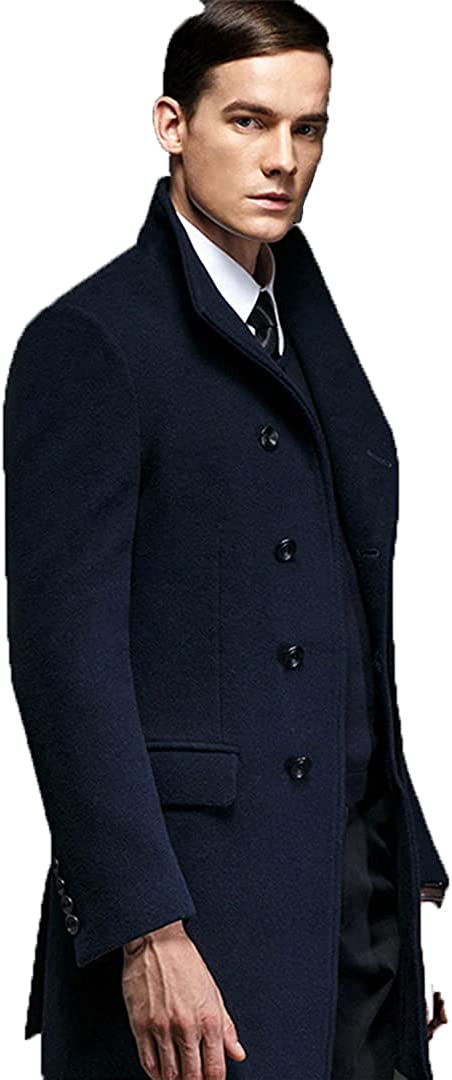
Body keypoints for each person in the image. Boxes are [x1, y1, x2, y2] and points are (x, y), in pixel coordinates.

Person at [3, 2, 448, 1078]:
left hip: (346, 910)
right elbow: (64, 662)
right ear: (172, 124)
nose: (283, 159)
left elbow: (346, 628)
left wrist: (396, 882)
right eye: (249, 121)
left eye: (308, 128)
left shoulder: (311, 332)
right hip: (196, 917)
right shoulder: (91, 343)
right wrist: (144, 929)